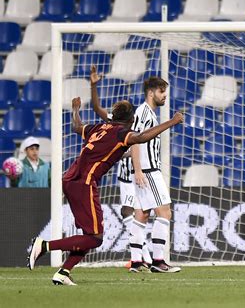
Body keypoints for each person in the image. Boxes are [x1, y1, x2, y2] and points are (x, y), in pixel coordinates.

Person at [27, 96, 184, 285]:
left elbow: (77, 127)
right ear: (131, 119)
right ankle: (44, 246)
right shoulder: (121, 133)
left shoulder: (99, 127)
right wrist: (172, 122)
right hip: (84, 183)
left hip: (71, 179)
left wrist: (75, 109)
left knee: (89, 235)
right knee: (95, 238)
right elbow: (142, 137)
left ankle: (63, 272)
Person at [89, 66, 153, 271]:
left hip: (138, 172)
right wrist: (93, 86)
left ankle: (145, 255)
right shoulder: (117, 123)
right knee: (127, 210)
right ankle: (143, 255)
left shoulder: (139, 124)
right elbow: (97, 109)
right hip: (124, 175)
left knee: (141, 212)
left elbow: (139, 144)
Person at [129, 75, 180, 273]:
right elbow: (135, 139)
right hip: (148, 170)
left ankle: (135, 262)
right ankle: (158, 261)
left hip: (145, 170)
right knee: (165, 212)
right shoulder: (144, 112)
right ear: (151, 93)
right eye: (161, 92)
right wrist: (139, 170)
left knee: (142, 215)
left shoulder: (148, 112)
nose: (164, 96)